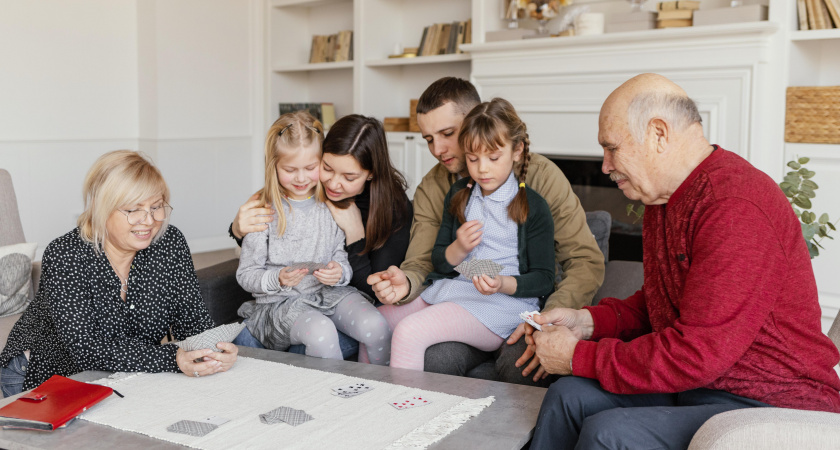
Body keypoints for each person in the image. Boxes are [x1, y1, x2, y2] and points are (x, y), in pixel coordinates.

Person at [529, 73, 840, 449]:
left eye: (612, 148)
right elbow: (664, 302)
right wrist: (590, 321)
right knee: (569, 396)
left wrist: (579, 356)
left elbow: (697, 352)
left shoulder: (734, 207)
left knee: (609, 434)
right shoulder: (665, 199)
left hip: (768, 399)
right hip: (705, 386)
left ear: (658, 134)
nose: (605, 165)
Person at [367, 77, 604, 385]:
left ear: (477, 122)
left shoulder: (540, 178)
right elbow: (426, 260)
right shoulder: (438, 186)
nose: (437, 149)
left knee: (521, 364)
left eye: (448, 134)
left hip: (524, 302)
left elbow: (584, 260)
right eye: (428, 139)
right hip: (462, 299)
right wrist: (406, 283)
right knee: (432, 357)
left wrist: (548, 318)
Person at [0, 150, 238, 397]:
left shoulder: (170, 243)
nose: (148, 220)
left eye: (156, 206)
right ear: (102, 209)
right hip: (43, 372)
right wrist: (173, 359)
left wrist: (212, 351)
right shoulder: (65, 254)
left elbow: (192, 320)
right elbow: (86, 349)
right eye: (133, 209)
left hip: (125, 369)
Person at [377, 98, 555, 370]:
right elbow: (440, 261)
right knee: (375, 322)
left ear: (516, 150)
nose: (482, 168)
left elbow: (544, 279)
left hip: (501, 303)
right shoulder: (460, 195)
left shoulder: (533, 206)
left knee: (408, 331)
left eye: (493, 158)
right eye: (473, 159)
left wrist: (502, 283)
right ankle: (365, 401)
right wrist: (458, 248)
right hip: (456, 290)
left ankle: (403, 411)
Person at [229, 114, 412, 357]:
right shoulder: (265, 210)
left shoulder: (334, 205)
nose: (302, 178)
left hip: (330, 295)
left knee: (376, 325)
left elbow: (344, 261)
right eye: (327, 169)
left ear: (369, 174)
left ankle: (383, 389)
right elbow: (248, 271)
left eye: (310, 168)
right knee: (321, 332)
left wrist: (339, 272)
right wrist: (277, 277)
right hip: (282, 303)